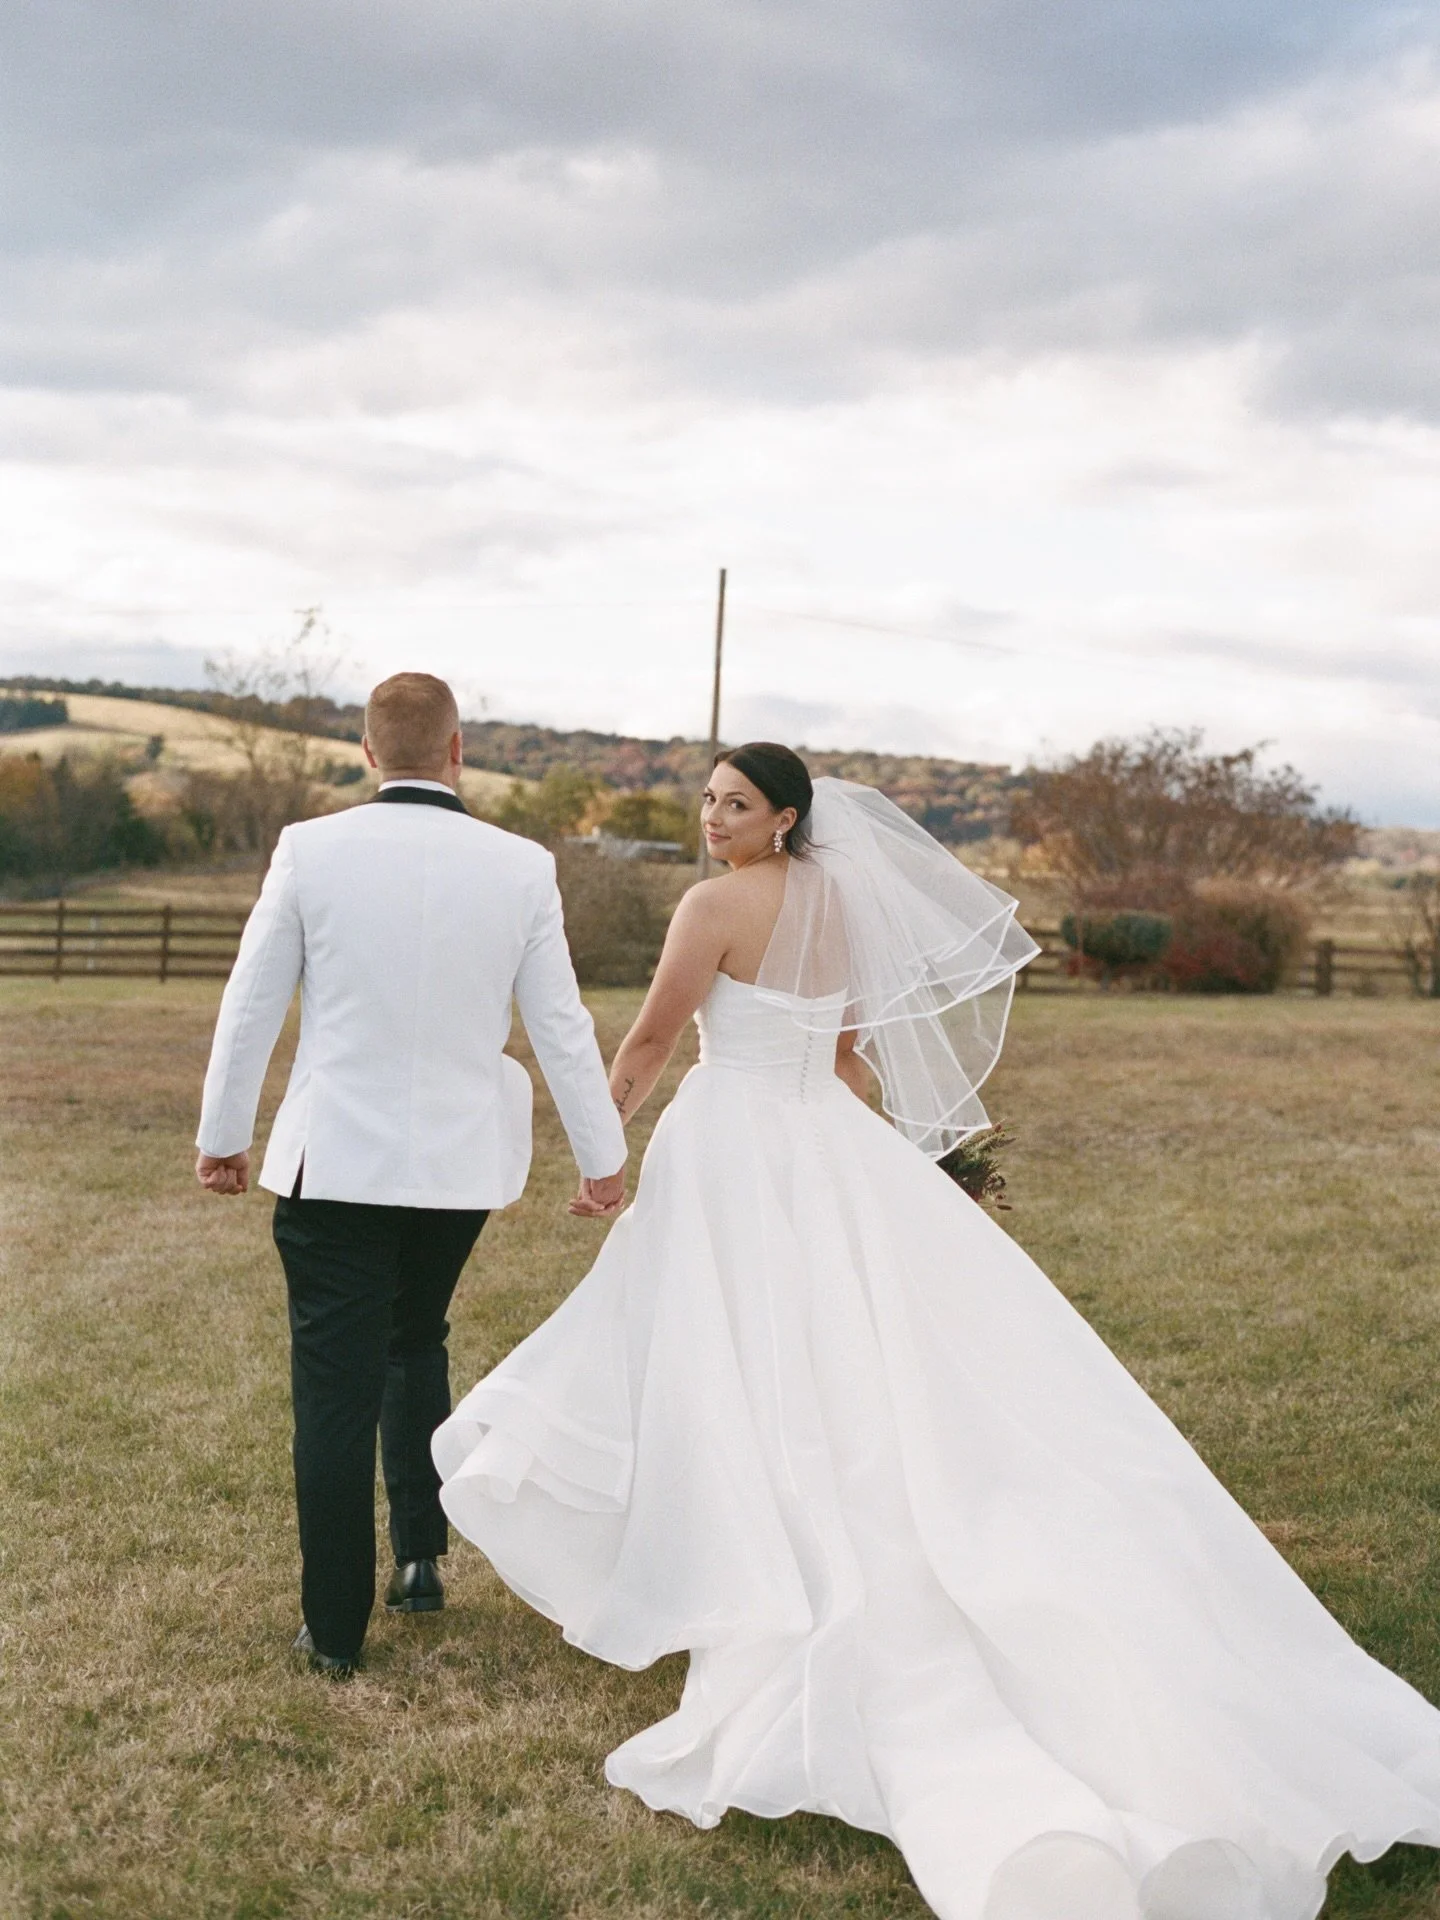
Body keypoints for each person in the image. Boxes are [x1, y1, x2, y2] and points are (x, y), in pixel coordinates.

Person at [435, 743, 1440, 1920]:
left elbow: (653, 1039)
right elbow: (852, 1056)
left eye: (737, 803)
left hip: (735, 1147)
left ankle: (758, 1562)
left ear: (787, 815)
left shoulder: (711, 907)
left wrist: (607, 1155)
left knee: (728, 1354)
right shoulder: (843, 901)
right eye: (706, 800)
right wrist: (890, 1166)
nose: (713, 819)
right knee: (825, 1355)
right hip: (821, 1138)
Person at [194, 671, 626, 1676]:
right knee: (414, 1335)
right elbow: (561, 1026)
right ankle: (422, 1561)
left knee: (334, 1391)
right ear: (458, 750)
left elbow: (250, 1004)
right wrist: (602, 1159)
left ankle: (336, 1629)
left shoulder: (312, 850)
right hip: (457, 1171)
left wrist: (224, 1134)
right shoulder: (522, 867)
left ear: (366, 751)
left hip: (335, 1163)